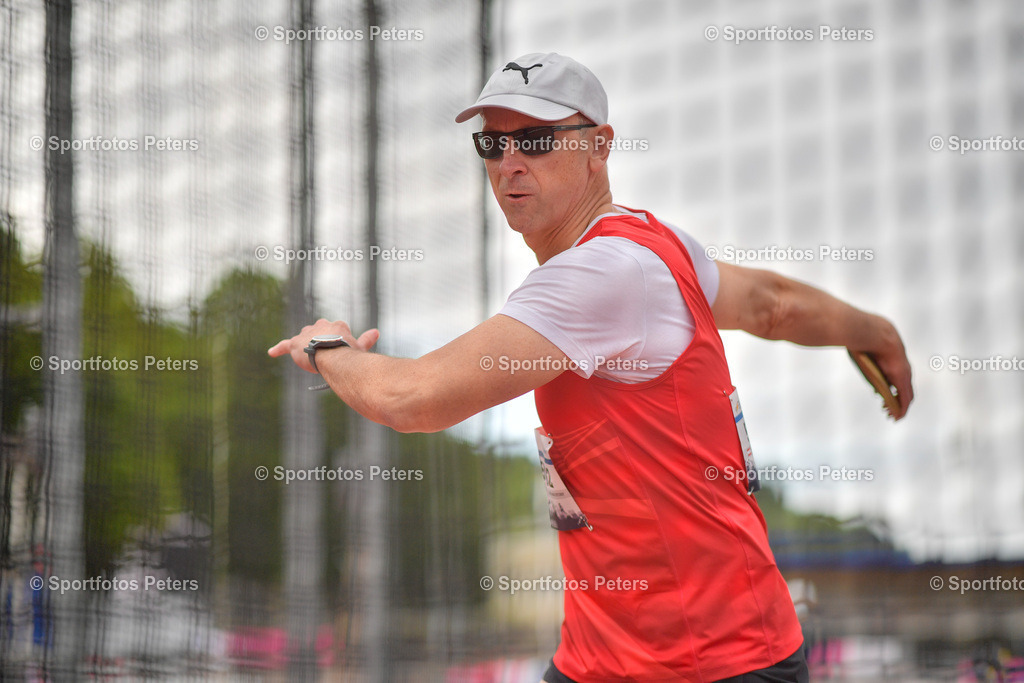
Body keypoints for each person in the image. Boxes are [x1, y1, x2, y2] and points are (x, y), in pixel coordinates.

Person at [269, 52, 913, 682]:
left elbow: (415, 399)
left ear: (599, 147)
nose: (509, 162)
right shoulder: (656, 246)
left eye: (535, 140)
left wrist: (330, 350)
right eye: (492, 144)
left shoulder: (605, 272)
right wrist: (874, 331)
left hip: (713, 664)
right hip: (599, 660)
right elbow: (771, 305)